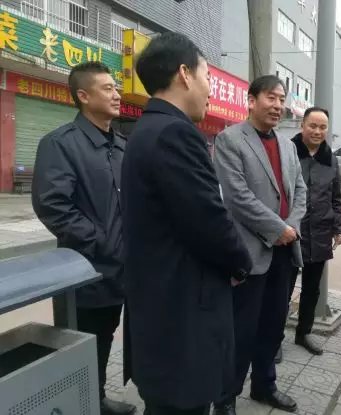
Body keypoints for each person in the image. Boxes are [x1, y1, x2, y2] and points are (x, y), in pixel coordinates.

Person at [120, 32, 252, 415]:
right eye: (207, 77)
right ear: (184, 74)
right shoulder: (176, 134)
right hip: (181, 319)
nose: (210, 91)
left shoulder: (146, 130)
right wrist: (241, 263)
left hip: (160, 312)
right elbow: (209, 220)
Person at [32, 62, 136, 415]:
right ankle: (78, 404)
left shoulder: (121, 146)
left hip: (121, 271)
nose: (117, 94)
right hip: (83, 272)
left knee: (105, 338)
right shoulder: (60, 144)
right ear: (83, 96)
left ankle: (96, 399)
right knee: (80, 343)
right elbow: (53, 205)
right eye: (108, 88)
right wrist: (102, 242)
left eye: (116, 88)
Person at [213, 75, 307, 414]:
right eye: (271, 97)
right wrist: (278, 229)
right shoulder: (229, 140)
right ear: (251, 100)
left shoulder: (287, 145)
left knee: (273, 326)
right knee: (241, 330)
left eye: (282, 99)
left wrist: (290, 229)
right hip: (250, 252)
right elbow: (237, 198)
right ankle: (226, 397)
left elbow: (300, 192)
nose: (278, 105)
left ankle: (264, 386)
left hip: (284, 252)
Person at [287, 106, 341, 355]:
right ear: (302, 125)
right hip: (291, 232)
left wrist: (338, 228)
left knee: (312, 289)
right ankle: (273, 337)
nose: (317, 131)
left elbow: (336, 197)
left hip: (320, 232)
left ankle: (304, 334)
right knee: (283, 287)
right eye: (313, 126)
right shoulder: (288, 151)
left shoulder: (330, 159)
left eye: (322, 127)